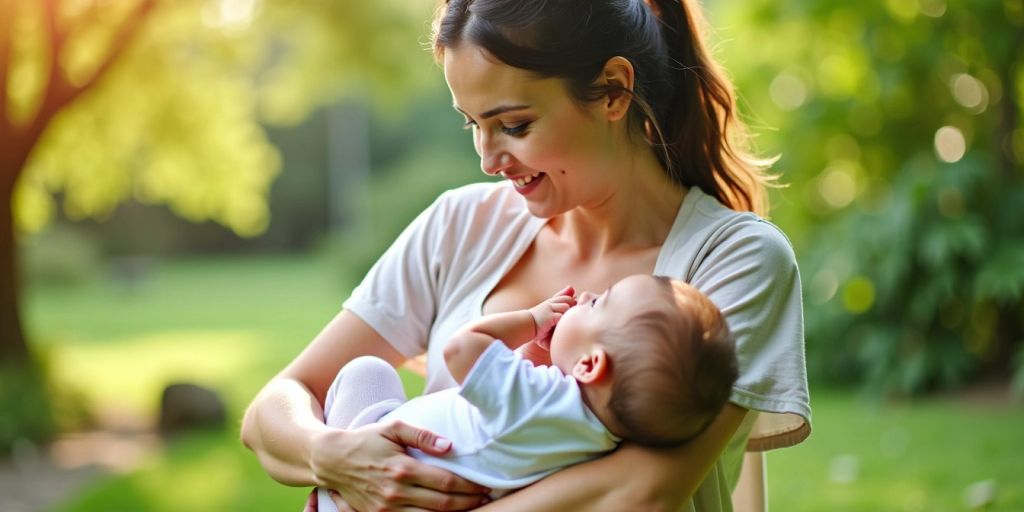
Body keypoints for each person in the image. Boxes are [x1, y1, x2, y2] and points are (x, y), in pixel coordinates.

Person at [241, 0, 811, 510]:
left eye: (513, 125)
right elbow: (276, 408)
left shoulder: (734, 259)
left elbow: (641, 492)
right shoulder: (460, 225)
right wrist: (332, 455)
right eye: (474, 125)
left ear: (613, 90)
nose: (489, 159)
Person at [314, 276, 739, 511]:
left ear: (590, 366)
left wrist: (531, 320)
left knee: (366, 372)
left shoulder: (539, 400)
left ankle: (335, 490)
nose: (586, 295)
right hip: (418, 488)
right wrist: (540, 352)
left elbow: (463, 350)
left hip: (380, 478)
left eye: (598, 304)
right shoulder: (597, 441)